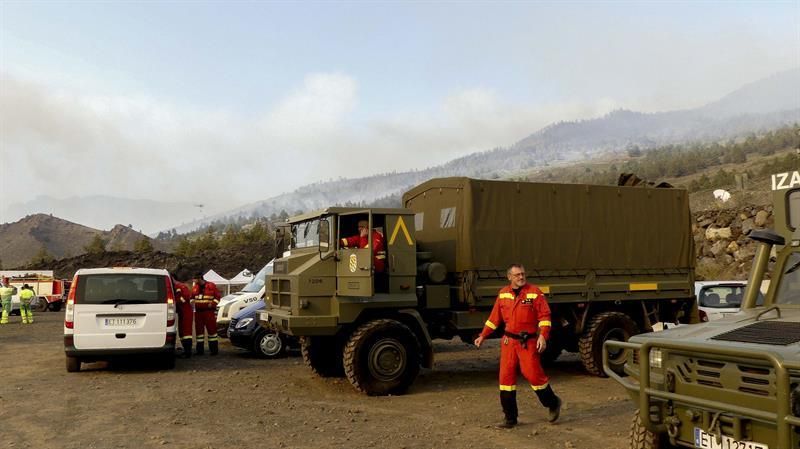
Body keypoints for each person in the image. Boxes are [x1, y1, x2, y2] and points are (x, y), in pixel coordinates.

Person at [474, 263, 562, 428]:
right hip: (508, 343)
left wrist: (543, 336)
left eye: (522, 274)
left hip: (527, 342)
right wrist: (483, 336)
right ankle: (510, 418)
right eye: (517, 275)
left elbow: (545, 317)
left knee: (534, 375)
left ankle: (552, 402)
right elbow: (494, 319)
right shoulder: (503, 294)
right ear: (509, 277)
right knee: (505, 379)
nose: (521, 277)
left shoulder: (534, 293)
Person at [191, 272, 221, 355]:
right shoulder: (194, 288)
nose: (193, 280)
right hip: (198, 313)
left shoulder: (211, 286)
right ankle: (200, 351)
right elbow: (191, 298)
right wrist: (192, 302)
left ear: (200, 278)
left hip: (209, 312)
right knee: (199, 333)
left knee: (212, 332)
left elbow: (218, 297)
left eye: (195, 279)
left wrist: (213, 304)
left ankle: (214, 351)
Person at [172, 275, 194, 358]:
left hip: (186, 312)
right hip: (182, 312)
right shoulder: (176, 287)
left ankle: (188, 352)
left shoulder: (181, 286)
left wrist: (177, 300)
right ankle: (185, 350)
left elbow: (185, 298)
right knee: (181, 331)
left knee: (186, 332)